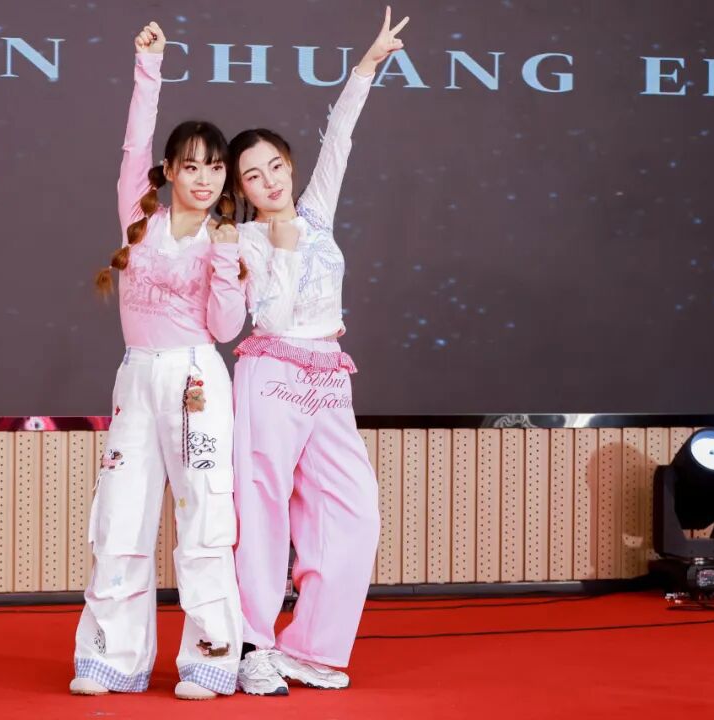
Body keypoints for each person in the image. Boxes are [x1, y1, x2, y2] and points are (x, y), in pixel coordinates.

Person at [226, 6, 410, 697]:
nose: (270, 181)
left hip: (330, 377)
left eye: (276, 166)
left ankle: (310, 649)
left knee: (353, 511)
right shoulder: (241, 240)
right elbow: (270, 314)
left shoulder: (316, 212)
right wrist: (277, 250)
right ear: (240, 190)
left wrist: (365, 67)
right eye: (254, 176)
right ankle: (252, 644)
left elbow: (341, 138)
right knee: (262, 510)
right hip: (271, 371)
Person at [70, 21, 245, 701]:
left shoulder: (227, 239)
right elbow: (133, 141)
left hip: (196, 378)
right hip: (137, 377)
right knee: (120, 516)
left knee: (205, 515)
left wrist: (225, 261)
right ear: (169, 171)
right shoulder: (137, 217)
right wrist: (149, 67)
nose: (204, 178)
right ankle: (111, 657)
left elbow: (226, 328)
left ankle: (210, 656)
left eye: (215, 167)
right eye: (191, 165)